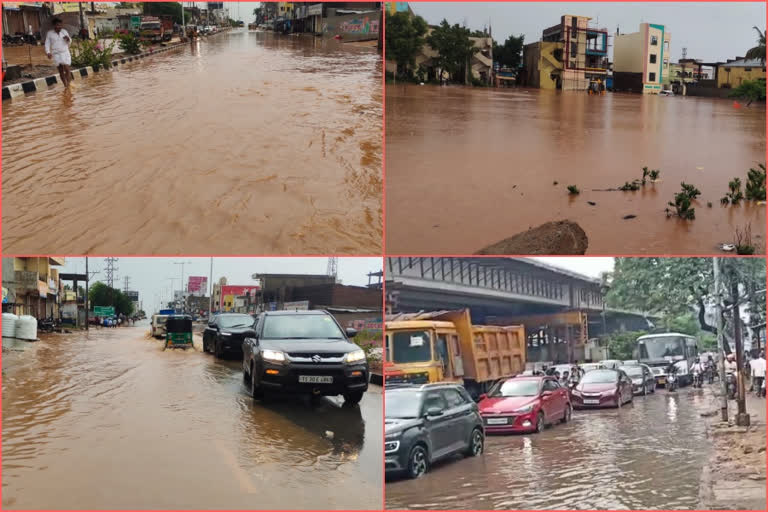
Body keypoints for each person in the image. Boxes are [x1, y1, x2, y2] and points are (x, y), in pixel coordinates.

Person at [45, 19, 72, 88]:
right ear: (54, 25)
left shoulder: (64, 32)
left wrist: (68, 39)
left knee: (67, 68)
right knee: (61, 70)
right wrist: (48, 52)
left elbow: (70, 41)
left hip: (65, 52)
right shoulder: (49, 33)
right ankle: (65, 85)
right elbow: (47, 43)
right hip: (56, 54)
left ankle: (68, 85)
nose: (59, 26)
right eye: (57, 25)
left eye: (60, 25)